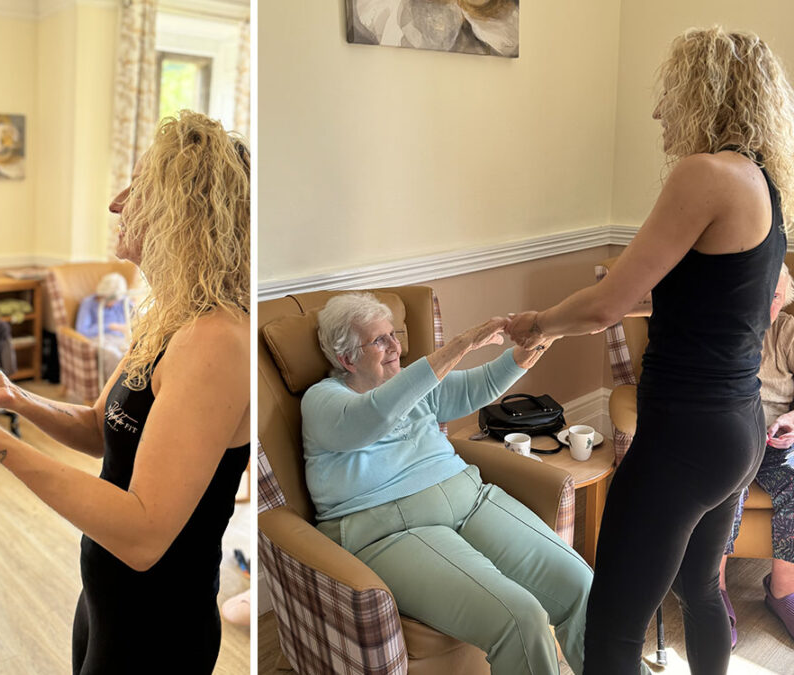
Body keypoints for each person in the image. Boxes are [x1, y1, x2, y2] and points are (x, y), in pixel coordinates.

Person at [505, 27, 794, 674]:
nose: (660, 110)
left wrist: (539, 324)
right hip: (737, 426)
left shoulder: (706, 174)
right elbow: (701, 299)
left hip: (685, 434)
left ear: (706, 91)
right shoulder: (764, 187)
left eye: (670, 92)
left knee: (611, 629)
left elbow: (607, 304)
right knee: (699, 589)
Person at [0, 110, 250, 674]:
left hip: (159, 627)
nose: (118, 202)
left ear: (185, 213)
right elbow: (103, 430)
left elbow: (145, 531)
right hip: (107, 601)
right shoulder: (171, 317)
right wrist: (14, 397)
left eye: (140, 188)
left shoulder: (217, 340)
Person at [302, 292, 618, 675]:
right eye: (379, 340)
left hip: (469, 497)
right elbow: (375, 414)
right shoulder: (322, 401)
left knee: (583, 585)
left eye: (393, 334)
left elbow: (474, 387)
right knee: (522, 619)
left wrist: (531, 345)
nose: (395, 346)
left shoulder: (410, 383)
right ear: (346, 358)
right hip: (391, 530)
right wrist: (461, 345)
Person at [720, 264, 794, 644]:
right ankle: (712, 589)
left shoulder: (787, 333)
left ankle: (781, 590)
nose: (767, 303)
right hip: (730, 438)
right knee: (727, 482)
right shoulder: (720, 330)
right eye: (760, 293)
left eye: (776, 296)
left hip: (778, 439)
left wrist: (792, 422)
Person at [74, 271, 131, 378]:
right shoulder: (88, 303)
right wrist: (108, 326)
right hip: (99, 338)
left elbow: (135, 317)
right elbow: (82, 331)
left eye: (116, 299)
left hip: (120, 338)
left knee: (130, 354)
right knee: (113, 355)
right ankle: (111, 391)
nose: (114, 302)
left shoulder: (123, 302)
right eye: (111, 299)